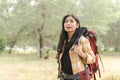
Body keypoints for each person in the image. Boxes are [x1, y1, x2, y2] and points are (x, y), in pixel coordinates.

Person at [56, 14, 95, 80]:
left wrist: (81, 53)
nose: (68, 23)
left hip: (77, 77)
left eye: (71, 21)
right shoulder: (63, 41)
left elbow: (92, 59)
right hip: (63, 76)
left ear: (77, 25)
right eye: (66, 21)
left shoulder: (82, 40)